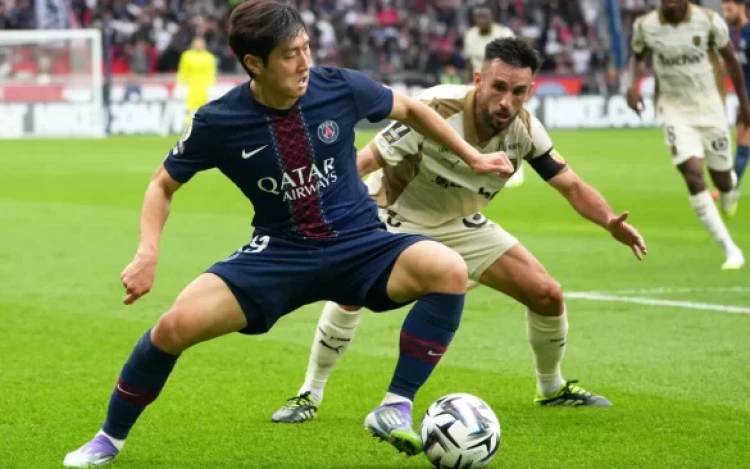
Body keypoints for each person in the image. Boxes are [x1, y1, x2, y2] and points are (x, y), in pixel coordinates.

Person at [62, 1, 515, 467]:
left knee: (448, 269)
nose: (304, 63)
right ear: (254, 63)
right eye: (289, 54)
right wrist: (147, 252)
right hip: (281, 253)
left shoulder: (339, 86)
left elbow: (411, 109)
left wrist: (474, 157)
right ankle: (108, 439)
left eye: (306, 48)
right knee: (173, 327)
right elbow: (163, 184)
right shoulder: (219, 120)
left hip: (360, 244)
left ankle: (395, 405)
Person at [271, 37, 648, 424]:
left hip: (460, 224)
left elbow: (571, 185)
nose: (506, 102)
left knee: (547, 294)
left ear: (530, 91)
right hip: (392, 216)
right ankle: (309, 393)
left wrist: (609, 221)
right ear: (479, 80)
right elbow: (365, 160)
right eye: (498, 87)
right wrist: (317, 205)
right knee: (350, 295)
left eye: (518, 92)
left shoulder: (526, 130)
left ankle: (551, 388)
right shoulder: (436, 107)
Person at [626, 0, 748, 270]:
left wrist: (744, 105)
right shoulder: (645, 26)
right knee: (693, 173)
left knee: (722, 179)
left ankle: (729, 191)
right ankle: (730, 249)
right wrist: (630, 86)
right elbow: (636, 57)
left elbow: (732, 61)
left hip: (710, 107)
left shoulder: (708, 21)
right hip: (674, 110)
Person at [463, 4, 524, 190]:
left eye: (484, 16)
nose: (481, 20)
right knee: (478, 126)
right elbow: (470, 62)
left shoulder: (504, 34)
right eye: (478, 16)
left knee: (506, 126)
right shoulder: (470, 35)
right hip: (479, 87)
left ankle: (515, 167)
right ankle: (481, 165)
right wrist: (466, 85)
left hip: (500, 86)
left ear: (492, 17)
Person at [722, 0, 750, 206]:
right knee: (741, 140)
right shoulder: (731, 34)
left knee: (744, 141)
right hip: (744, 97)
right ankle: (731, 189)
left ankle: (730, 190)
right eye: (723, 9)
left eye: (730, 9)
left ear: (742, 8)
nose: (726, 13)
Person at [176, 36, 216, 129]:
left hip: (204, 87)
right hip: (190, 86)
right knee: (188, 108)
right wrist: (180, 84)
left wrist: (211, 86)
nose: (199, 45)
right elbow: (182, 71)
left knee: (205, 108)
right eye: (197, 43)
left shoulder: (209, 57)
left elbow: (211, 73)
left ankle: (203, 127)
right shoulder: (186, 56)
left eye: (200, 43)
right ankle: (187, 127)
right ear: (192, 44)